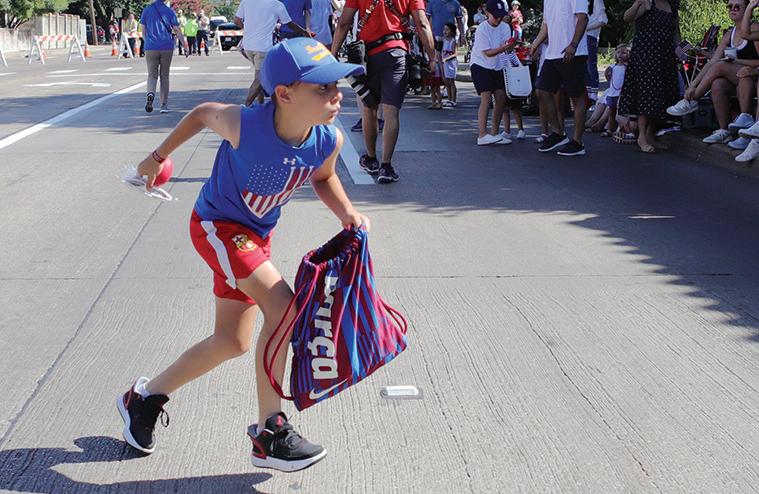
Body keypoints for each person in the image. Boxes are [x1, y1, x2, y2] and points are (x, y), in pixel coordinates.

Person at [117, 37, 370, 472]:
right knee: (284, 307)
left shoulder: (326, 140)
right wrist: (155, 158)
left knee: (231, 342)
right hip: (217, 227)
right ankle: (270, 432)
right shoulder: (245, 125)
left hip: (254, 239)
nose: (337, 95)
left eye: (337, 85)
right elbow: (202, 113)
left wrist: (347, 213)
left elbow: (323, 178)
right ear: (284, 94)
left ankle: (143, 398)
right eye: (323, 88)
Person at [331, 0, 436, 183]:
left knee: (369, 107)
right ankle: (386, 167)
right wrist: (432, 56)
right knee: (391, 112)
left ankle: (371, 159)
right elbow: (422, 23)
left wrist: (333, 54)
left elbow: (344, 23)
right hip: (397, 52)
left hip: (368, 55)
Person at [666, 0, 759, 145]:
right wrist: (692, 85)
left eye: (737, 7)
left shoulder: (754, 29)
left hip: (753, 75)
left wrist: (735, 61)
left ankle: (692, 100)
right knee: (717, 84)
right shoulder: (729, 34)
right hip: (738, 76)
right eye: (730, 6)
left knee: (721, 66)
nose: (732, 9)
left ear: (747, 9)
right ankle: (724, 130)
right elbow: (712, 62)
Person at [618, 0, 680, 153]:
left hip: (665, 56)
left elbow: (676, 34)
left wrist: (683, 51)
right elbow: (627, 17)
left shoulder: (672, 7)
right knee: (647, 95)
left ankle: (650, 134)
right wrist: (636, 5)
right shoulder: (647, 2)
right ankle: (641, 137)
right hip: (646, 55)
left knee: (661, 95)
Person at [529, 0, 589, 156]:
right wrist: (535, 44)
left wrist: (573, 45)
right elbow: (546, 25)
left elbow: (583, 18)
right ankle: (558, 133)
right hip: (552, 54)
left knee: (576, 97)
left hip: (574, 53)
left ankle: (578, 142)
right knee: (541, 91)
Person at [235, 0, 312, 106]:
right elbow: (289, 24)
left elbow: (237, 21)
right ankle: (246, 105)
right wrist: (303, 31)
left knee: (258, 76)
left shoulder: (247, 1)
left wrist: (249, 28)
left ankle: (260, 104)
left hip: (247, 46)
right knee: (260, 78)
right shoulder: (276, 4)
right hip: (262, 47)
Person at [470, 0, 514, 145]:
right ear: (487, 13)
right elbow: (488, 53)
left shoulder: (505, 27)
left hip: (498, 65)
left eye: (501, 16)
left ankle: (495, 133)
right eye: (495, 16)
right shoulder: (482, 29)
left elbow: (506, 48)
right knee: (486, 96)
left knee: (501, 97)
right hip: (480, 65)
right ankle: (482, 134)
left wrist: (511, 46)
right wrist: (505, 47)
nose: (499, 19)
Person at [140, 0, 189, 114]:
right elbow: (176, 29)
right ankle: (163, 105)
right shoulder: (169, 11)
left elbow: (143, 31)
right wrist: (184, 45)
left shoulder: (146, 10)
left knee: (152, 75)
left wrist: (148, 42)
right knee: (164, 75)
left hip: (151, 46)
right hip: (166, 46)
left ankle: (150, 94)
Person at [601, 43, 628, 136]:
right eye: (618, 52)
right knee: (611, 113)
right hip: (612, 93)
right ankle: (609, 129)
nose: (620, 54)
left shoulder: (627, 67)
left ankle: (619, 129)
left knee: (619, 113)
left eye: (623, 53)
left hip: (621, 94)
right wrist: (608, 77)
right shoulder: (613, 66)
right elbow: (606, 74)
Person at [585, 0, 608, 103]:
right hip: (582, 36)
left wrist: (586, 28)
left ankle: (593, 94)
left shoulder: (597, 1)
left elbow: (603, 20)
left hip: (590, 36)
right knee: (583, 65)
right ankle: (587, 92)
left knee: (590, 64)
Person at [441, 22, 459, 107]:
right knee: (447, 82)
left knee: (451, 82)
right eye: (444, 29)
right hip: (445, 64)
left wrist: (446, 59)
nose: (445, 31)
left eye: (447, 30)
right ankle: (449, 99)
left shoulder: (453, 41)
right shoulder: (444, 40)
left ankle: (453, 100)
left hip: (451, 64)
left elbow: (455, 53)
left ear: (452, 31)